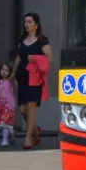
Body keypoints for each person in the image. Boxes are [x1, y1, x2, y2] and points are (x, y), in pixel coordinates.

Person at [13, 12, 52, 150]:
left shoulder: (42, 40)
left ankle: (28, 137)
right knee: (23, 111)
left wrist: (35, 58)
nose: (27, 24)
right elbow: (18, 57)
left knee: (31, 108)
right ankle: (35, 130)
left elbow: (49, 58)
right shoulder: (22, 39)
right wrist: (13, 73)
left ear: (36, 24)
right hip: (22, 76)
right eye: (25, 22)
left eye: (30, 22)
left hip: (35, 78)